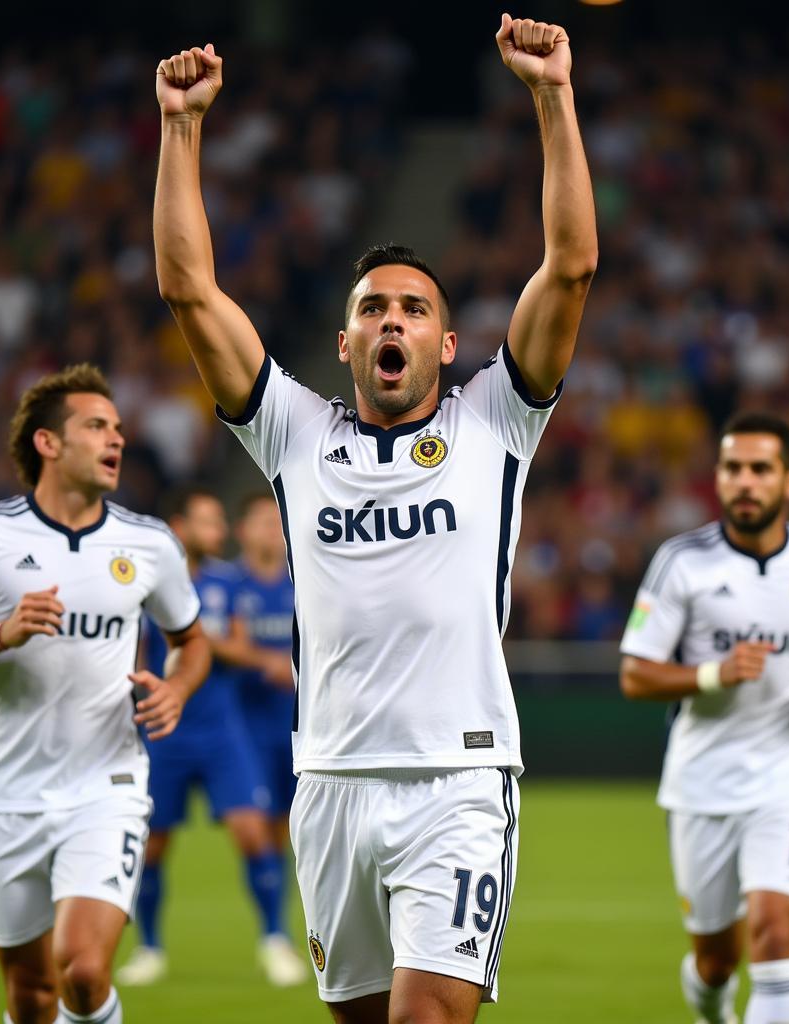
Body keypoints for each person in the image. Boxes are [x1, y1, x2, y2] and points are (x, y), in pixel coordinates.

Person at [152, 13, 597, 1023]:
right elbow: (187, 289)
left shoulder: (494, 422)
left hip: (457, 776)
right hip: (330, 781)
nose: (390, 319)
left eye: (411, 308)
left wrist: (551, 96)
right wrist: (180, 129)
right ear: (347, 339)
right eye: (372, 308)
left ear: (446, 344)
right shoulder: (296, 436)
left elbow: (569, 267)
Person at [0, 364, 210, 1024]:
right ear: (48, 443)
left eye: (119, 429)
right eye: (96, 425)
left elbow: (193, 640)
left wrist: (177, 687)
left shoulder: (149, 543)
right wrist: (0, 634)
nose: (116, 439)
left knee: (85, 969)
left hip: (108, 784)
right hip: (6, 793)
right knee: (32, 994)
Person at [619, 411, 789, 1024]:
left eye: (761, 469)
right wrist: (715, 674)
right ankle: (713, 1009)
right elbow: (634, 673)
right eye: (733, 469)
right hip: (703, 780)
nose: (745, 482)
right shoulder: (682, 562)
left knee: (776, 932)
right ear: (719, 479)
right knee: (716, 962)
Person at [116, 487, 307, 989]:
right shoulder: (150, 587)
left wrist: (253, 656)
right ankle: (150, 949)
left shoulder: (228, 584)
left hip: (223, 729)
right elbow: (137, 653)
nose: (217, 532)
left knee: (253, 831)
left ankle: (274, 940)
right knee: (153, 845)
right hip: (166, 729)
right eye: (207, 522)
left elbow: (240, 644)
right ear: (180, 527)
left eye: (220, 523)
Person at [229, 493, 299, 851]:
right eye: (263, 521)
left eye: (278, 521)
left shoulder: (303, 581)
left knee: (292, 828)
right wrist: (265, 661)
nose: (274, 529)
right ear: (242, 530)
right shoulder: (228, 585)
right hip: (246, 723)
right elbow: (210, 640)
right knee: (255, 833)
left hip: (298, 723)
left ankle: (278, 904)